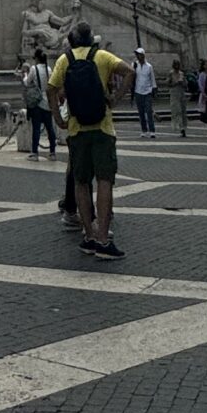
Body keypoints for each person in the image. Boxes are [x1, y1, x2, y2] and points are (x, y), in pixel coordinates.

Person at [50, 20, 132, 259]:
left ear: (72, 40)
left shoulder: (65, 60)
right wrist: (115, 99)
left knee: (81, 183)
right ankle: (104, 240)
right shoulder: (103, 56)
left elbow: (51, 89)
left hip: (76, 130)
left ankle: (88, 237)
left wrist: (58, 118)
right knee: (104, 181)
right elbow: (130, 72)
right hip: (102, 128)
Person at [22, 48, 58, 156]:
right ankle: (52, 152)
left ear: (37, 58)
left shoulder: (34, 69)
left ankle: (35, 152)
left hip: (37, 102)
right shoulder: (49, 69)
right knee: (49, 127)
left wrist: (24, 75)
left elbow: (27, 83)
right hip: (47, 102)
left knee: (36, 128)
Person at [132, 49, 158, 135]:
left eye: (139, 54)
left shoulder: (149, 66)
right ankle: (144, 130)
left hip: (147, 91)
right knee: (141, 112)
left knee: (149, 111)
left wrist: (154, 89)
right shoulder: (134, 65)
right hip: (138, 91)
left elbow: (152, 78)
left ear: (143, 55)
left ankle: (152, 130)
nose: (137, 56)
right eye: (137, 54)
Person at [167, 57, 192, 138]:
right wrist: (175, 82)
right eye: (176, 65)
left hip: (181, 92)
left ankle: (183, 127)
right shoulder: (171, 73)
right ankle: (180, 127)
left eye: (178, 65)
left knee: (183, 110)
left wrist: (183, 83)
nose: (177, 67)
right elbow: (168, 83)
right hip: (174, 93)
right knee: (177, 110)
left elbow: (186, 84)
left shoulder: (182, 74)